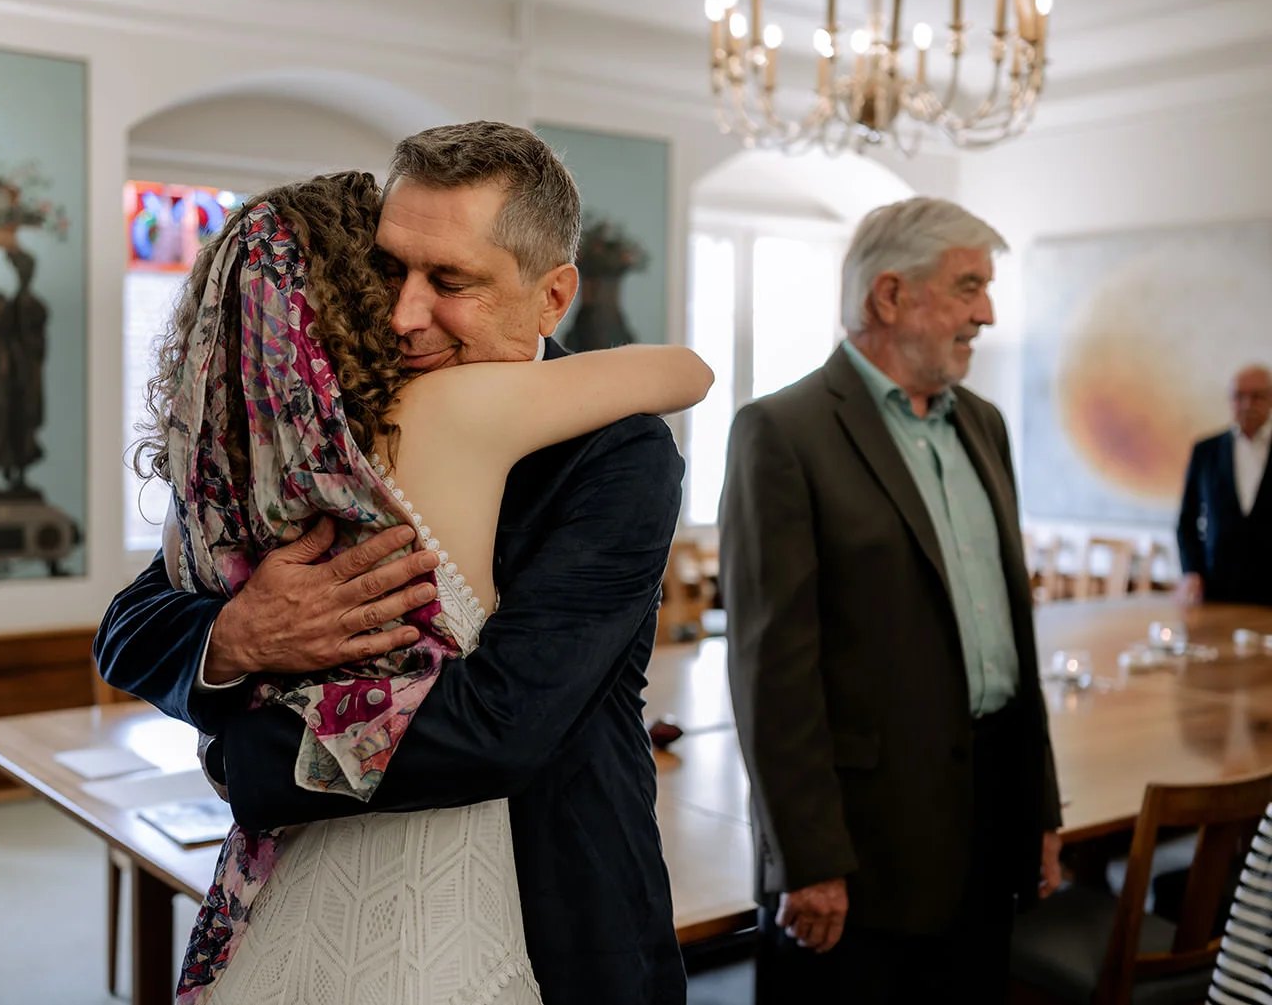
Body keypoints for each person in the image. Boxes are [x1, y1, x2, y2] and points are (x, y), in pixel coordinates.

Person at [96, 121, 700, 1005]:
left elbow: (501, 725)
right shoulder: (325, 410)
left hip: (556, 897)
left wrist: (248, 761)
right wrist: (235, 633)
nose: (404, 313)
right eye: (391, 269)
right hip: (327, 885)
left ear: (552, 296)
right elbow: (133, 623)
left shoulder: (619, 450)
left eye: (450, 281)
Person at [718, 197, 1063, 1005]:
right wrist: (805, 857)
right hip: (858, 850)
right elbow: (772, 668)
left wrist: (1038, 808)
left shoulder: (984, 424)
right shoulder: (783, 431)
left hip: (990, 821)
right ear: (889, 296)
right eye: (969, 285)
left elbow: (1014, 639)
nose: (987, 312)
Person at [1178, 364, 1272, 607]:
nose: (1247, 404)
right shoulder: (1206, 451)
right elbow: (1187, 520)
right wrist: (1192, 572)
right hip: (1217, 588)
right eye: (1239, 396)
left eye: (1257, 396)